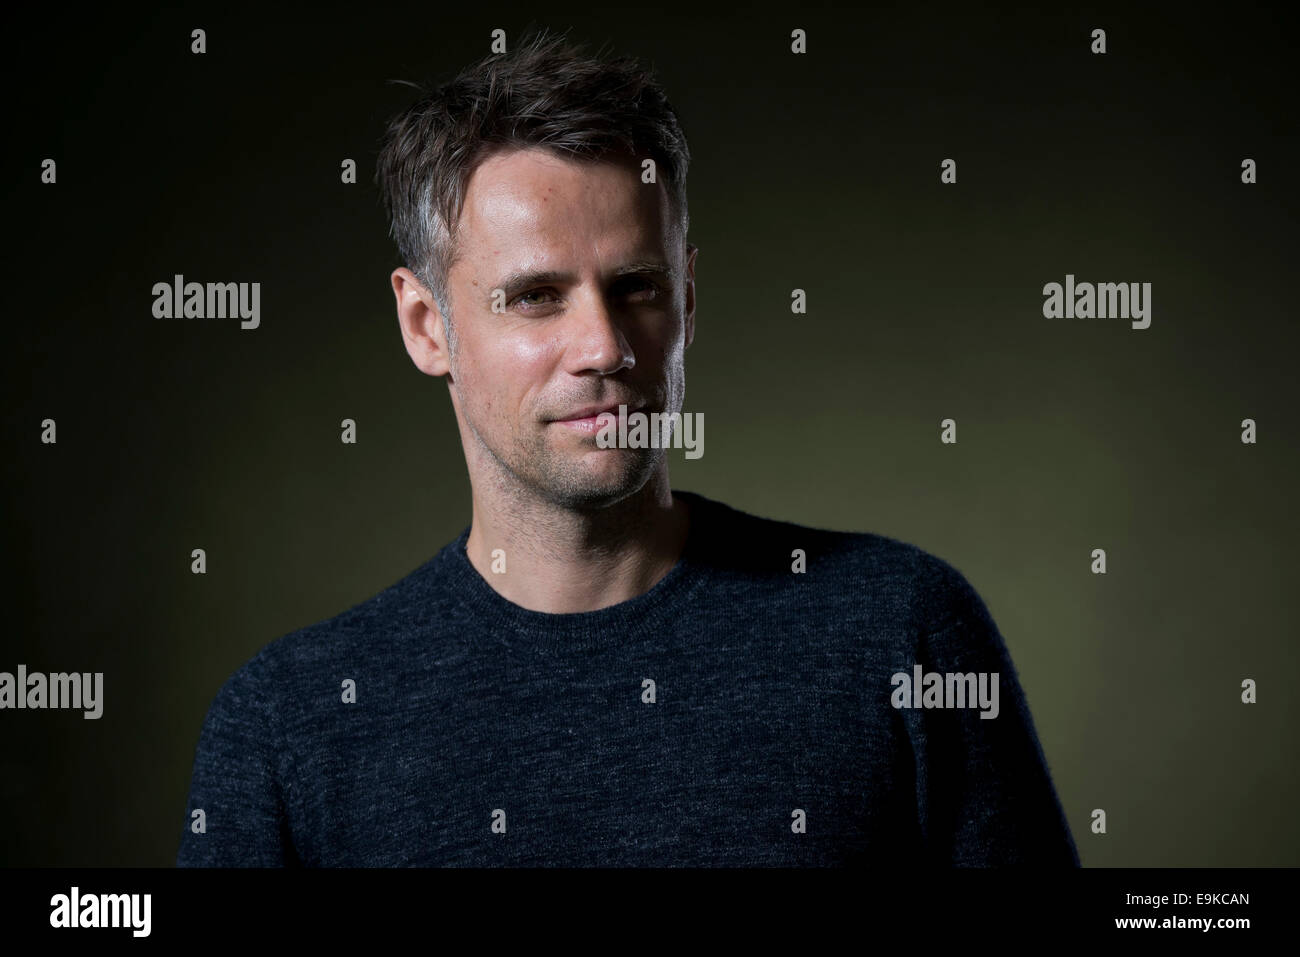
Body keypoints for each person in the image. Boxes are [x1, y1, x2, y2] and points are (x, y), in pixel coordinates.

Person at [176, 29, 1079, 867]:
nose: (605, 345)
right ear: (426, 325)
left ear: (687, 292)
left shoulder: (902, 633)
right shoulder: (288, 726)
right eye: (536, 296)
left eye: (637, 285)